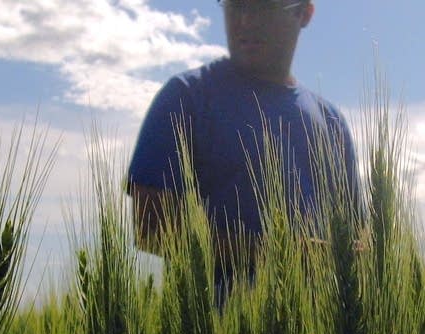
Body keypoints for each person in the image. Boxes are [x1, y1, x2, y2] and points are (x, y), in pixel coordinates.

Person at [126, 0, 360, 286]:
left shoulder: (331, 121)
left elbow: (356, 231)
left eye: (265, 6)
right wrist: (280, 253)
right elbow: (150, 230)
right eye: (236, 5)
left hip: (327, 328)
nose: (247, 21)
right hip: (214, 329)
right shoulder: (186, 98)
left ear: (304, 13)